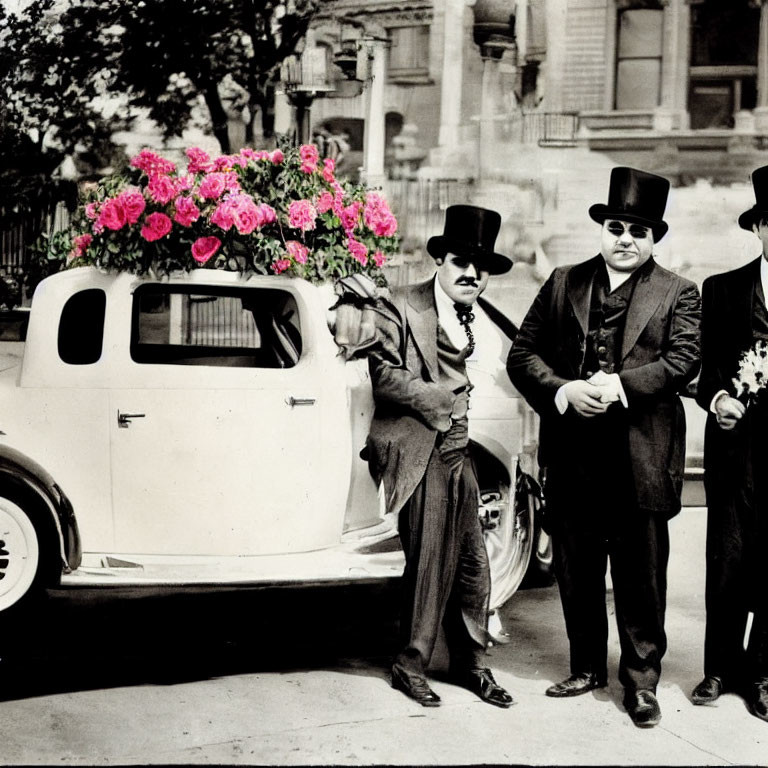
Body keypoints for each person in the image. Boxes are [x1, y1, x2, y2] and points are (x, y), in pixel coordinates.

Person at [506, 167, 701, 728]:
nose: (625, 239)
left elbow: (683, 362)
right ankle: (586, 664)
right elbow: (523, 355)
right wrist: (564, 390)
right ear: (602, 228)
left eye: (639, 231)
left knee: (642, 576)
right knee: (577, 567)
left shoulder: (678, 292)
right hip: (574, 457)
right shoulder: (564, 281)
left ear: (654, 239)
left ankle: (641, 683)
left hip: (641, 458)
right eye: (616, 226)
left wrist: (618, 385)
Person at [336, 205, 516, 708]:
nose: (471, 274)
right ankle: (409, 665)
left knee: (474, 564)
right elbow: (384, 375)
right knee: (429, 559)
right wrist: (442, 401)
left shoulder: (476, 316)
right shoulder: (401, 305)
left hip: (460, 451)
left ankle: (471, 665)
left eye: (481, 269)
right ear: (440, 259)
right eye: (462, 262)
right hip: (419, 446)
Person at [692, 165, 768, 723]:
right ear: (759, 228)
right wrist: (719, 399)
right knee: (726, 560)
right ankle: (718, 667)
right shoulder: (721, 290)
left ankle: (762, 674)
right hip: (733, 451)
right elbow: (706, 367)